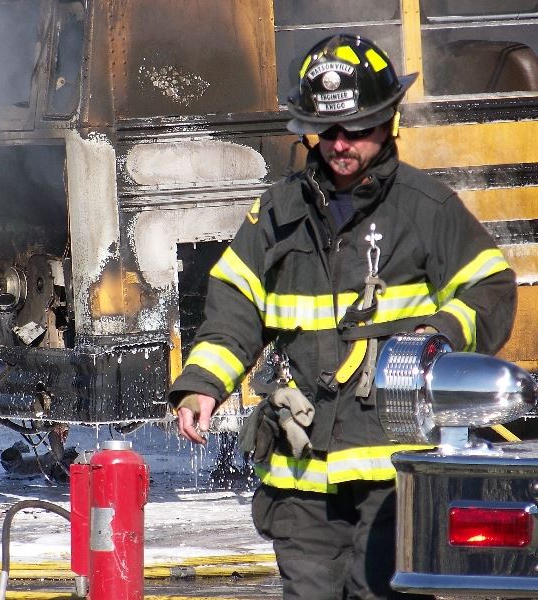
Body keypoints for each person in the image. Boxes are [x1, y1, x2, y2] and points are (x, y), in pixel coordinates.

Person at [167, 33, 516, 600]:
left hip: (394, 474)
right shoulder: (276, 214)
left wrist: (440, 337)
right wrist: (203, 386)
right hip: (302, 474)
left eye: (356, 129)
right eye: (326, 131)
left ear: (388, 122)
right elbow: (234, 307)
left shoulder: (426, 209)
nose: (340, 144)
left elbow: (490, 287)